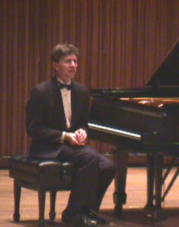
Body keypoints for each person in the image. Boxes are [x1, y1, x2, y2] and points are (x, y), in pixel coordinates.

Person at [26, 43, 116, 226]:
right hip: (49, 147)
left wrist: (83, 131)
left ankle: (88, 211)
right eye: (68, 61)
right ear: (55, 65)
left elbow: (83, 123)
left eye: (75, 61)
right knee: (90, 158)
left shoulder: (82, 92)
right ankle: (72, 214)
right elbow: (33, 128)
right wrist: (64, 136)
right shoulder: (41, 92)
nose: (73, 65)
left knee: (109, 165)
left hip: (72, 146)